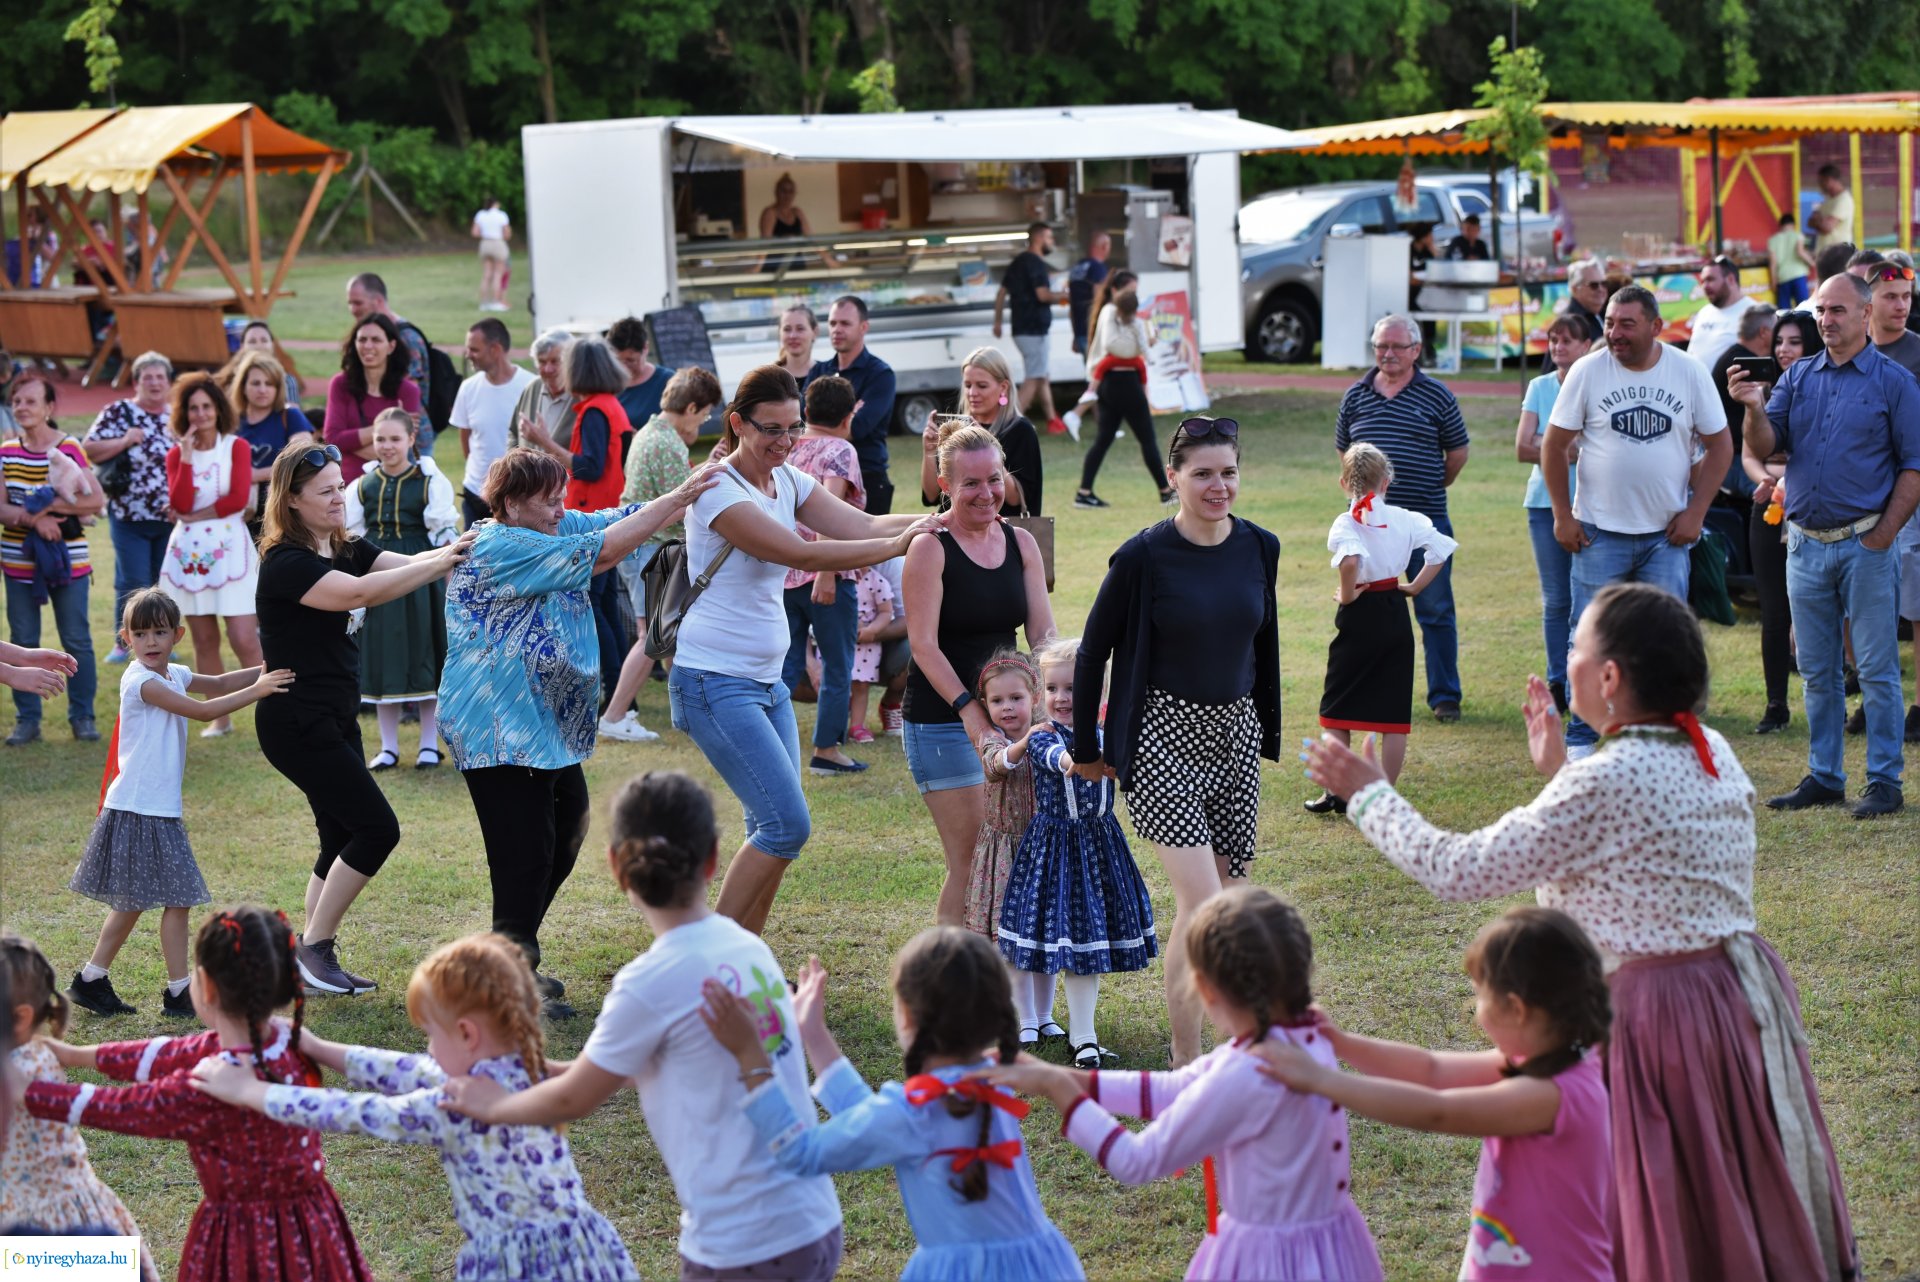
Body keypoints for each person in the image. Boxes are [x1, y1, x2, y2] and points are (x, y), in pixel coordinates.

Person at [1303, 583, 1858, 1282]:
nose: (1566, 661)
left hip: (1652, 1020)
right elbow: (1639, 834)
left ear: (1610, 678)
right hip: (1731, 1000)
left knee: (1654, 1207)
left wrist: (1369, 793)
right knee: (1717, 1186)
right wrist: (1561, 768)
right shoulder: (1707, 746)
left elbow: (1459, 868)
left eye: (1577, 647)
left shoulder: (1609, 779)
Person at [438, 771, 846, 1281]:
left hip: (743, 1243)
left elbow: (575, 1102)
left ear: (616, 867)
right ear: (714, 859)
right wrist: (544, 1067)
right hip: (813, 1222)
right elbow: (661, 1062)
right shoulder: (749, 949)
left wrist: (492, 1106)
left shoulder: (648, 983)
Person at [976, 887, 1384, 1282]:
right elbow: (1180, 1089)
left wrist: (1060, 1091)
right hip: (1334, 1248)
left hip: (1266, 1261)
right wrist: (1071, 1078)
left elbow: (1137, 1161)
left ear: (1205, 989)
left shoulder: (1243, 1075)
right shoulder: (1307, 1039)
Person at [439, 449, 720, 1011]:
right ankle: (508, 976)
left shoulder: (550, 523)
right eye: (548, 500)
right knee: (526, 851)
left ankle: (506, 955)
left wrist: (695, 483)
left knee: (567, 825)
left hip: (540, 724)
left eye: (561, 497)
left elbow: (617, 520)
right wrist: (682, 496)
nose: (559, 509)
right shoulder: (499, 545)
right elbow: (605, 550)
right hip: (496, 721)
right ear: (512, 504)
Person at [189, 933, 638, 1280]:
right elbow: (412, 1070)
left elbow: (351, 1112)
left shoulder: (457, 1105)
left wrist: (251, 1092)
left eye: (431, 1033)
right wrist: (319, 1048)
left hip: (516, 1268)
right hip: (586, 1249)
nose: (427, 1047)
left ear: (466, 1034)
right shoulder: (520, 1068)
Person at [675, 367, 940, 934]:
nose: (785, 441)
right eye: (771, 429)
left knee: (770, 829)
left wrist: (937, 520)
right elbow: (802, 553)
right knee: (785, 826)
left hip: (765, 683)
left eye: (792, 428)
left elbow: (861, 521)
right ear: (737, 423)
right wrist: (900, 544)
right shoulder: (717, 488)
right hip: (712, 681)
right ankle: (708, 963)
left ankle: (745, 964)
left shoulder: (788, 480)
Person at [699, 930, 1085, 1280]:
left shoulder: (914, 1112)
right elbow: (873, 1117)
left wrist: (751, 1056)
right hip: (1045, 1268)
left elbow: (802, 1152)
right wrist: (815, 1036)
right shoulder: (998, 1080)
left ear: (906, 1015)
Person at [1253, 906, 1614, 1282]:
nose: (1475, 1012)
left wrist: (1322, 1080)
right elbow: (1432, 1071)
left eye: (1479, 996)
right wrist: (1341, 1043)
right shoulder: (1543, 1059)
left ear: (1517, 1009)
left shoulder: (1549, 1095)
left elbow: (1436, 1111)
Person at [1075, 416, 1280, 1066]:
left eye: (1228, 472)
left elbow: (1262, 643)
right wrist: (1087, 747)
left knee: (1233, 898)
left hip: (1235, 737)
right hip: (1164, 736)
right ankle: (1188, 1062)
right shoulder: (1143, 556)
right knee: (1202, 904)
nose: (1218, 486)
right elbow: (1092, 652)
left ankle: (1234, 1056)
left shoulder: (1260, 546)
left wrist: (1263, 725)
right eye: (1202, 474)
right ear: (1174, 477)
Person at [22, 905, 375, 1282]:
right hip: (312, 1223)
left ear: (205, 986)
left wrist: (28, 1093)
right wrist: (81, 1057)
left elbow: (124, 1107)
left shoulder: (212, 1086)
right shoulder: (282, 1039)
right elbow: (166, 1054)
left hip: (244, 1241)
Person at [254, 443, 476, 996]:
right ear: (294, 501)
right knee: (377, 829)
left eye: (338, 486)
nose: (338, 497)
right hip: (295, 720)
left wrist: (458, 549)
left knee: (339, 835)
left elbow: (398, 567)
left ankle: (308, 958)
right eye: (325, 492)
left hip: (332, 715)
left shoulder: (344, 546)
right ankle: (314, 949)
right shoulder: (288, 562)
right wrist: (441, 563)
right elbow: (356, 593)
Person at [1731, 271, 1920, 818]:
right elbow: (1770, 444)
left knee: (1879, 671)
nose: (1825, 320)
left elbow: (1914, 467)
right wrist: (1752, 407)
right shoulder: (1799, 378)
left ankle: (1884, 781)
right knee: (1817, 669)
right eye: (1820, 311)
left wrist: (1881, 537)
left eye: (1837, 310)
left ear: (1865, 315)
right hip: (1805, 545)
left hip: (1864, 544)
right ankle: (1825, 776)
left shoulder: (1895, 382)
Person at [64, 588, 292, 1018]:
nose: (151, 641)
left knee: (134, 902)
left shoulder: (173, 673)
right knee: (177, 897)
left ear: (177, 635)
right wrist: (261, 689)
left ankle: (91, 980)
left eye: (160, 632)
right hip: (138, 807)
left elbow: (221, 682)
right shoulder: (142, 681)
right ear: (125, 638)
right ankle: (177, 993)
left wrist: (268, 667)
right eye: (141, 633)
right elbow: (203, 712)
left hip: (154, 807)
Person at [1543, 285, 1730, 757]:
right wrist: (1563, 515)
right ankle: (1584, 737)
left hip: (1666, 536)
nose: (1614, 333)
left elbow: (1720, 446)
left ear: (1655, 326)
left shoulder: (1687, 371)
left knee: (1666, 638)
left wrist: (1697, 511)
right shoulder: (1587, 371)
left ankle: (1666, 736)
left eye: (1626, 324)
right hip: (1599, 533)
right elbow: (1553, 445)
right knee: (1586, 635)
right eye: (1608, 322)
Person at [903, 421, 1055, 927]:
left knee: (1010, 857)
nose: (987, 493)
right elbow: (923, 646)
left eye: (994, 479)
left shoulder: (1022, 544)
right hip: (941, 722)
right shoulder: (929, 546)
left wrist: (1059, 693)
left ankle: (993, 982)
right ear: (944, 485)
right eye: (970, 483)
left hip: (1010, 723)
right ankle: (941, 987)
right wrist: (972, 715)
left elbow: (1043, 637)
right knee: (970, 860)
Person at [998, 637, 1157, 1067]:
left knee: (1086, 943)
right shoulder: (1041, 737)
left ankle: (1083, 1035)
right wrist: (1094, 757)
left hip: (1101, 846)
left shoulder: (1109, 732)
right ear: (1040, 694)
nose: (1062, 698)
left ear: (1098, 693)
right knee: (1044, 936)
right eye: (1052, 689)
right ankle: (1029, 1019)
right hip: (1053, 848)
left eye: (1073, 689)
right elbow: (1063, 759)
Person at [0, 935, 161, 1282]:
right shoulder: (36, 1053)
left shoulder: (18, 1072)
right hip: (67, 1207)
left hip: (48, 1230)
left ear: (19, 1018)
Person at [1309, 443, 1458, 814]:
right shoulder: (1406, 517)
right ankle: (1382, 796)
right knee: (1392, 713)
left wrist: (1346, 595)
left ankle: (1338, 792)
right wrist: (1415, 586)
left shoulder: (1347, 521)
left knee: (1338, 706)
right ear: (1387, 482)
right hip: (1393, 611)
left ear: (1344, 483)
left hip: (1360, 615)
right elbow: (1439, 550)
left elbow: (1350, 560)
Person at [1335, 314, 1471, 721]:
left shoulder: (1437, 395)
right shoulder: (1355, 395)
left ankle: (1445, 696)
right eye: (1381, 346)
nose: (1388, 354)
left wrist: (1425, 488)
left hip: (1423, 520)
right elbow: (1345, 453)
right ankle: (1367, 689)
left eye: (1397, 346)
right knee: (1365, 611)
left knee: (1435, 609)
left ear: (1416, 350)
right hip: (1367, 528)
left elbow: (1457, 453)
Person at [601, 366, 722, 744]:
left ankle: (685, 712)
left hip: (639, 546)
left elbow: (670, 488)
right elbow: (680, 502)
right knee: (655, 637)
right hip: (652, 549)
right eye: (704, 414)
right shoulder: (668, 443)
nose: (703, 422)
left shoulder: (651, 432)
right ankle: (616, 714)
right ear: (690, 407)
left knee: (663, 634)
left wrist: (703, 467)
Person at [518, 336, 634, 709]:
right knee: (606, 607)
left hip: (593, 519)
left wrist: (543, 441)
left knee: (595, 608)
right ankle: (621, 693)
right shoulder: (609, 405)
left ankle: (617, 695)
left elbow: (589, 465)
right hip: (606, 515)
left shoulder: (595, 410)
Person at [344, 409, 458, 770]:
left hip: (419, 571)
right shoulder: (362, 485)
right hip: (377, 571)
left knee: (423, 650)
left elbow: (443, 534)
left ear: (412, 440)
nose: (387, 446)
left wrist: (449, 581)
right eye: (381, 439)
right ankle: (388, 746)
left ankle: (428, 744)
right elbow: (352, 536)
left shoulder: (428, 481)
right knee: (383, 656)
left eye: (395, 439)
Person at [158, 373, 265, 737]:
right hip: (189, 556)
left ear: (218, 410)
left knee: (244, 637)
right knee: (203, 638)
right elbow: (180, 502)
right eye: (193, 408)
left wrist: (195, 516)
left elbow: (237, 499)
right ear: (183, 413)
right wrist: (186, 459)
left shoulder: (235, 447)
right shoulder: (176, 454)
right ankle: (219, 718)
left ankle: (275, 708)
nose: (200, 414)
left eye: (206, 407)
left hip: (230, 551)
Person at [2, 374, 102, 746]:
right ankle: (27, 720)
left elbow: (94, 501)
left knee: (76, 638)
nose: (23, 408)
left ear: (49, 408)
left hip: (69, 562)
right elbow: (1, 507)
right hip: (19, 562)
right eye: (17, 402)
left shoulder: (69, 447)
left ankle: (83, 716)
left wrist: (48, 509)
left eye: (31, 401)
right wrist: (35, 519)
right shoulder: (6, 451)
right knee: (22, 638)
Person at [780, 375, 869, 773]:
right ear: (848, 415)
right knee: (837, 663)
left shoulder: (786, 447)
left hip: (781, 570)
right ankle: (827, 751)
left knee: (782, 663)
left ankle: (769, 743)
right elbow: (830, 507)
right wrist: (827, 571)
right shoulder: (840, 449)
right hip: (825, 570)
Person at [1744, 311, 1822, 735]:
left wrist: (1789, 480)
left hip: (1813, 509)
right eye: (1779, 342)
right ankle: (1776, 704)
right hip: (1768, 509)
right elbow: (1749, 454)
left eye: (1794, 342)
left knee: (1817, 612)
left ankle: (1828, 699)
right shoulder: (1763, 392)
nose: (1783, 350)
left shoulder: (1826, 389)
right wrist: (1767, 481)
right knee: (1773, 612)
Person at [1516, 315, 1594, 713]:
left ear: (1586, 345)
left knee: (1590, 595)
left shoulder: (1595, 383)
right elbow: (1522, 447)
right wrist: (1568, 446)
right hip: (1543, 502)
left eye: (1567, 340)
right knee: (1557, 598)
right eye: (1553, 340)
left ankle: (1589, 676)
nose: (1558, 347)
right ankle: (1558, 679)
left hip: (1593, 503)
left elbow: (1544, 443)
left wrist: (1551, 444)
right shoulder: (1540, 386)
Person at [81, 352, 174, 654]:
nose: (155, 383)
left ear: (169, 382)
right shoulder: (118, 411)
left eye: (160, 377)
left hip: (170, 517)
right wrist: (124, 440)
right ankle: (124, 643)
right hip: (128, 515)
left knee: (163, 585)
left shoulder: (176, 416)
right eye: (148, 377)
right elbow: (89, 449)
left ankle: (163, 641)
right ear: (136, 381)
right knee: (133, 582)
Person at [966, 652, 1039, 955]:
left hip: (1040, 843)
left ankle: (1039, 1002)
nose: (1007, 706)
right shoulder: (992, 739)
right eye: (997, 701)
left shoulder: (1051, 735)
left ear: (1034, 699)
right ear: (985, 705)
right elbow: (995, 766)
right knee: (1006, 931)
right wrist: (1025, 743)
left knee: (1037, 929)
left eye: (1015, 698)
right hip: (1004, 850)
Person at [1073, 280, 1168, 508]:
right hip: (1125, 382)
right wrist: (1140, 347)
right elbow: (1119, 347)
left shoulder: (1117, 315)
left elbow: (1136, 344)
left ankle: (1084, 492)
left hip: (1110, 383)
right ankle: (1166, 491)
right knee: (1147, 438)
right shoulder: (1112, 313)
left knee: (1104, 439)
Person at [918, 346, 1043, 517]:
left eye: (982, 386)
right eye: (968, 385)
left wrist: (986, 443)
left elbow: (1016, 498)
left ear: (1003, 387)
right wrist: (929, 451)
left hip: (999, 533)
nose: (972, 393)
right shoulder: (957, 429)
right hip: (953, 532)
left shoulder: (1021, 431)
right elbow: (932, 495)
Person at [805, 296, 898, 514]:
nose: (837, 329)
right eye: (832, 323)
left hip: (867, 478)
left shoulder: (881, 374)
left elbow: (858, 428)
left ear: (864, 327)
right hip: (818, 475)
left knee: (867, 547)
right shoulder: (819, 371)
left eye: (845, 323)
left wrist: (818, 426)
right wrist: (850, 414)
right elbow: (801, 423)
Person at [226, 349, 316, 542]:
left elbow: (301, 458)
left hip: (280, 514)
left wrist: (254, 475)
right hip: (236, 516)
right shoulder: (231, 422)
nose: (262, 389)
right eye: (255, 383)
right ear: (242, 386)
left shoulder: (290, 416)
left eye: (269, 384)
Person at [451, 318, 533, 527]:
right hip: (476, 496)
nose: (468, 355)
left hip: (517, 496)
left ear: (495, 349)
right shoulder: (468, 388)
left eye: (474, 349)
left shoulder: (529, 386)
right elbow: (466, 440)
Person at [325, 312, 423, 485]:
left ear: (391, 346)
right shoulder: (340, 384)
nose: (368, 346)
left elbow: (402, 450)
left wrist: (351, 444)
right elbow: (332, 440)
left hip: (391, 486)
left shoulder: (408, 392)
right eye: (362, 339)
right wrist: (384, 428)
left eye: (376, 340)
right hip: (346, 486)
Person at [345, 272, 433, 449]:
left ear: (377, 301)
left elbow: (409, 402)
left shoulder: (407, 338)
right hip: (379, 437)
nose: (353, 309)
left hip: (411, 443)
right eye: (350, 303)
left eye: (358, 303)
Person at [993, 222, 1066, 435]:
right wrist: (1066, 297)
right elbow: (1042, 295)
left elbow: (1001, 294)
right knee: (1034, 378)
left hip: (1021, 329)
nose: (1051, 242)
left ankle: (1053, 420)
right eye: (1050, 238)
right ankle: (1008, 425)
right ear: (1038, 238)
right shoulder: (1036, 264)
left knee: (1041, 374)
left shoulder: (1018, 262)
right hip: (1034, 329)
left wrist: (997, 322)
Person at [1708, 306, 1777, 492]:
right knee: (1775, 495)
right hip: (1734, 461)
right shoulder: (1745, 366)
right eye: (1777, 331)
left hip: (1735, 458)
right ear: (1764, 332)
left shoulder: (1734, 357)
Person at [1687, 255, 1768, 377]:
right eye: (1703, 281)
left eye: (1710, 279)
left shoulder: (1754, 313)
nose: (1705, 286)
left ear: (1730, 279)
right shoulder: (1704, 312)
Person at [606, 316, 676, 431]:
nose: (623, 367)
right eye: (618, 360)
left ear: (646, 348)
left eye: (630, 360)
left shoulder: (668, 382)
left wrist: (641, 438)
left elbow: (688, 433)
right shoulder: (606, 383)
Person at [508, 328, 573, 451]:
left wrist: (544, 442)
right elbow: (513, 432)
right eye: (542, 362)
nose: (548, 369)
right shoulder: (532, 388)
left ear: (570, 361)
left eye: (555, 361)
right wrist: (512, 463)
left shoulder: (581, 394)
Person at [232, 320, 303, 406]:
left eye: (264, 340)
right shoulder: (230, 379)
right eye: (252, 341)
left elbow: (293, 415)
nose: (259, 346)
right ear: (242, 346)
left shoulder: (287, 381)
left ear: (272, 344)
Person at [758, 172, 814, 274]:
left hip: (797, 263)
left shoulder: (797, 212)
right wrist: (758, 266)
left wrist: (828, 260)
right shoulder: (770, 213)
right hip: (775, 264)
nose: (787, 195)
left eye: (791, 191)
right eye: (783, 191)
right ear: (776, 192)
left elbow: (811, 239)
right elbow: (765, 243)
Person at [1067, 230, 1112, 355]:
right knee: (1098, 372)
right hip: (1095, 331)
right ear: (1104, 246)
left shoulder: (1077, 268)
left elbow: (1071, 305)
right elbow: (1099, 299)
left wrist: (1075, 335)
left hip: (1080, 331)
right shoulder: (1097, 268)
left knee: (1089, 370)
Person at [470, 197, 512, 312]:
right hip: (497, 243)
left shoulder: (481, 214)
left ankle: (484, 302)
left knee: (487, 274)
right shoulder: (501, 215)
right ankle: (496, 302)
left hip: (484, 243)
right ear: (496, 204)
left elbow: (475, 232)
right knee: (498, 274)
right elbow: (507, 233)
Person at [1769, 211, 1815, 310]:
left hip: (1782, 277)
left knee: (1784, 311)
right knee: (1804, 309)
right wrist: (1813, 263)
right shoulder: (1798, 235)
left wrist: (1773, 280)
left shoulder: (1773, 240)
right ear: (1793, 225)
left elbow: (1773, 263)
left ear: (1780, 226)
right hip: (1798, 275)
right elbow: (1800, 252)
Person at [1809, 164, 1854, 257]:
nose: (1820, 185)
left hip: (1838, 254)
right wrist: (1820, 222)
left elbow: (1827, 227)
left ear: (1829, 180)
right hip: (1825, 254)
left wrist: (1818, 221)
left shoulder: (1844, 200)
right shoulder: (1828, 200)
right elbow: (1810, 222)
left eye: (1821, 181)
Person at [1560, 259, 1609, 342]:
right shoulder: (1569, 323)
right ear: (1575, 289)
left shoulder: (1605, 313)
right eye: (1593, 285)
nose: (1601, 289)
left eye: (1604, 283)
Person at [774, 303, 818, 380]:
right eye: (787, 329)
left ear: (814, 332)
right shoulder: (769, 379)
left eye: (800, 328)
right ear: (779, 333)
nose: (793, 336)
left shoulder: (829, 374)